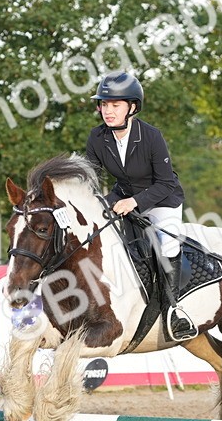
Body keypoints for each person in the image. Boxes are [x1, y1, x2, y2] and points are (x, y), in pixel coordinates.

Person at [84, 70, 196, 340]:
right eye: (104, 105)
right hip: (122, 197)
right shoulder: (97, 137)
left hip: (161, 199)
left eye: (115, 105)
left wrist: (134, 201)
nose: (107, 111)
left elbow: (165, 183)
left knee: (168, 243)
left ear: (132, 107)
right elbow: (92, 179)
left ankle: (173, 310)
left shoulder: (152, 136)